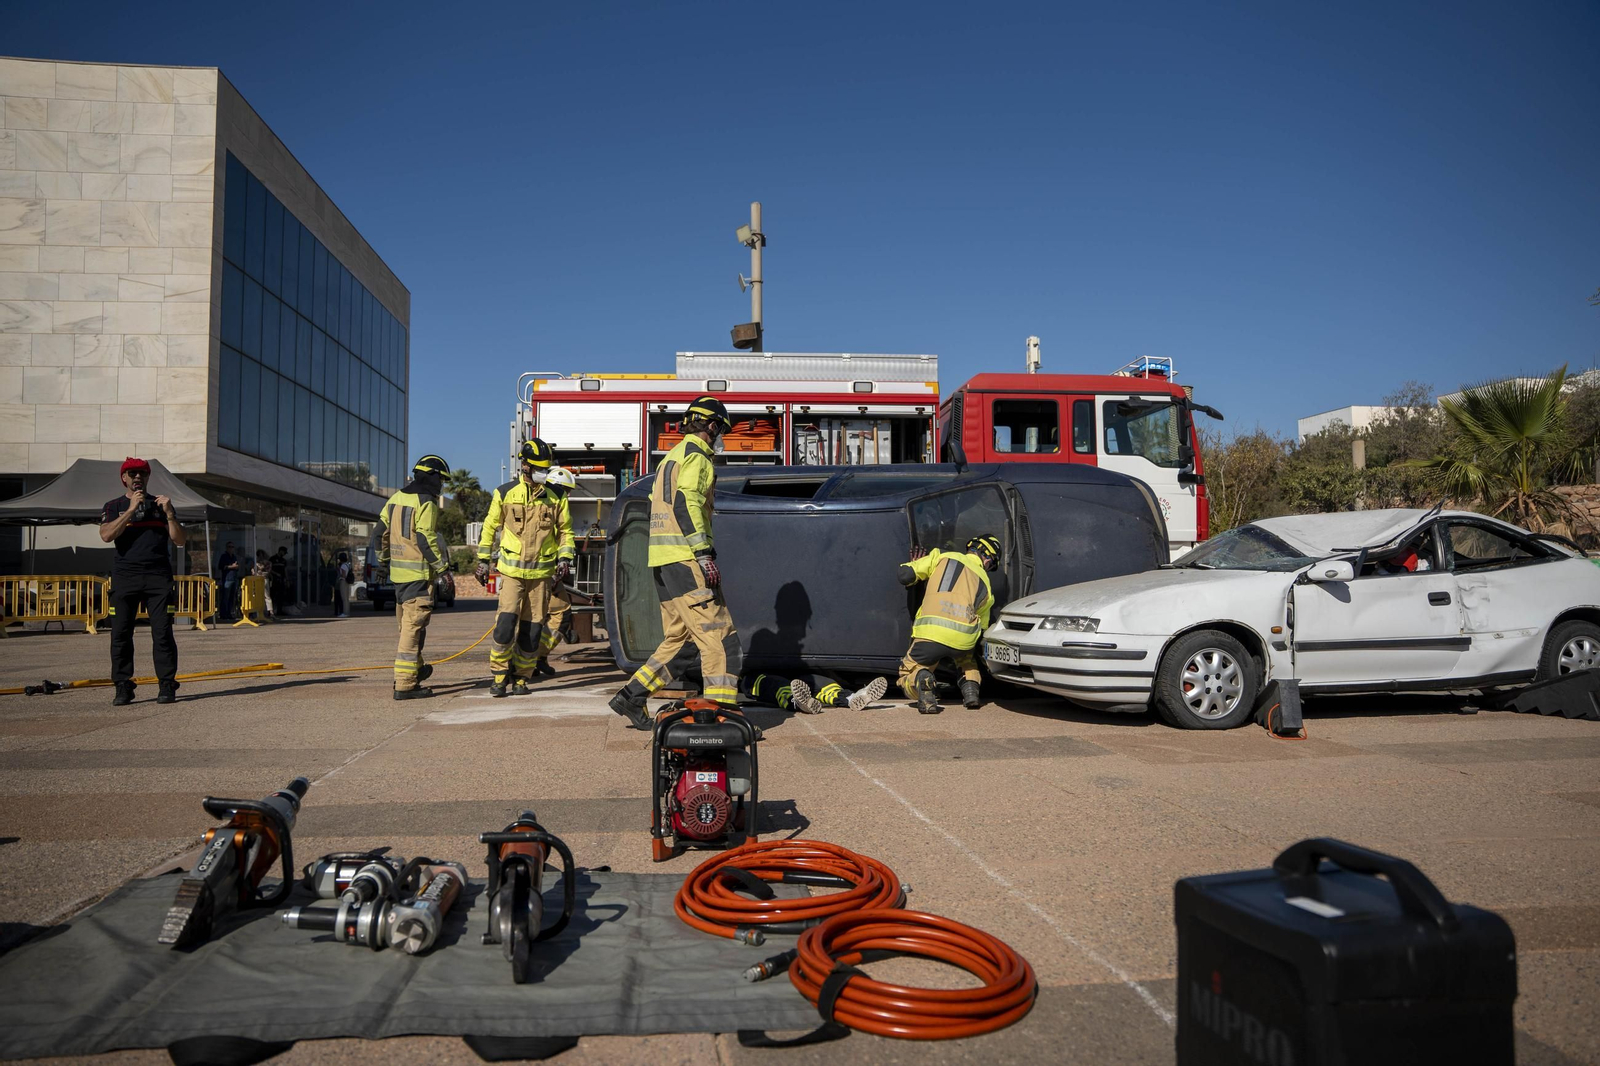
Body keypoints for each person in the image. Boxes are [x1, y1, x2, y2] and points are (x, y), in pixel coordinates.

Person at [609, 396, 742, 729]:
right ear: (711, 426)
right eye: (721, 430)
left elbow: (661, 506)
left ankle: (632, 696)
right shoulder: (698, 458)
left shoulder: (670, 458)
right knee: (722, 640)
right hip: (686, 560)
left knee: (680, 642)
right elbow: (685, 503)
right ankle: (721, 720)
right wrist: (703, 554)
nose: (721, 437)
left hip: (664, 561)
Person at [475, 440, 576, 697]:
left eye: (547, 467)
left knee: (532, 630)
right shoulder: (505, 493)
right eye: (539, 468)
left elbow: (566, 532)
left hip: (541, 577)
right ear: (525, 465)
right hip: (512, 575)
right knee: (505, 625)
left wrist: (564, 558)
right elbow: (489, 528)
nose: (544, 472)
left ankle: (522, 677)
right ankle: (499, 675)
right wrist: (482, 560)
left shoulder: (556, 497)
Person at [98, 457, 186, 705]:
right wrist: (129, 511)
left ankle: (167, 685)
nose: (138, 477)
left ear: (148, 478)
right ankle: (123, 686)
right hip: (125, 577)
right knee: (120, 634)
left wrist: (169, 514)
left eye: (142, 474)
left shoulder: (161, 505)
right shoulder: (113, 506)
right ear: (124, 478)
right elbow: (106, 535)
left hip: (158, 578)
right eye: (132, 473)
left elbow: (180, 540)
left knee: (162, 633)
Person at [372, 454, 452, 700]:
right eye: (441, 480)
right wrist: (443, 570)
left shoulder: (396, 498)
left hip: (398, 577)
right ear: (432, 476)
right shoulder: (426, 501)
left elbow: (378, 534)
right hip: (417, 576)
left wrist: (383, 563)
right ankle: (406, 684)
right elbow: (425, 538)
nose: (441, 485)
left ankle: (417, 669)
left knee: (409, 627)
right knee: (412, 629)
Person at [896, 535, 1000, 714]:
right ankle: (971, 691)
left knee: (908, 672)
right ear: (987, 558)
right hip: (963, 639)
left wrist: (916, 567)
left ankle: (921, 680)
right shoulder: (986, 585)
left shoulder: (942, 556)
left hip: (930, 634)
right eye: (991, 565)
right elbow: (982, 629)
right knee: (967, 659)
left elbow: (905, 575)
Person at [532, 466, 579, 677]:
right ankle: (531, 659)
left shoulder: (540, 505)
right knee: (558, 614)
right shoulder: (549, 507)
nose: (567, 496)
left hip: (538, 571)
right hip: (542, 572)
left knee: (535, 617)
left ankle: (535, 659)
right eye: (566, 491)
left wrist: (563, 560)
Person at [744, 673, 889, 714]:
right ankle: (797, 702)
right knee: (778, 686)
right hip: (759, 674)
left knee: (825, 685)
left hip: (803, 673)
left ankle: (853, 698)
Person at [216, 541, 241, 621]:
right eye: (229, 547)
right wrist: (231, 566)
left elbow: (236, 566)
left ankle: (230, 613)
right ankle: (223, 614)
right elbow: (221, 566)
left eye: (232, 547)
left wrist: (236, 567)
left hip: (234, 578)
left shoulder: (234, 557)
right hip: (227, 579)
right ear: (227, 548)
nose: (231, 548)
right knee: (225, 597)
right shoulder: (224, 556)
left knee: (232, 597)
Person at [253, 550, 275, 619]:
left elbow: (267, 572)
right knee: (259, 596)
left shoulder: (267, 563)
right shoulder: (256, 563)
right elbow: (253, 572)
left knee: (266, 596)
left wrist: (259, 571)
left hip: (264, 579)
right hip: (258, 579)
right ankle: (259, 611)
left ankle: (270, 612)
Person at [270, 546, 291, 616]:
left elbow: (285, 570)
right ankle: (270, 611)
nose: (284, 554)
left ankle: (279, 611)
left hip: (281, 580)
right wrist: (275, 574)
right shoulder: (272, 559)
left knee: (281, 596)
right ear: (281, 551)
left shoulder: (283, 561)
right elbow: (269, 569)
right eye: (284, 552)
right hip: (274, 580)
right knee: (272, 596)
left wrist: (287, 580)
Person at [333, 551, 352, 617]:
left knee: (343, 598)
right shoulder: (348, 565)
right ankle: (347, 611)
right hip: (347, 582)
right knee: (346, 598)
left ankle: (344, 612)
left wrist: (340, 575)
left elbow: (343, 575)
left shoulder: (343, 566)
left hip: (343, 581)